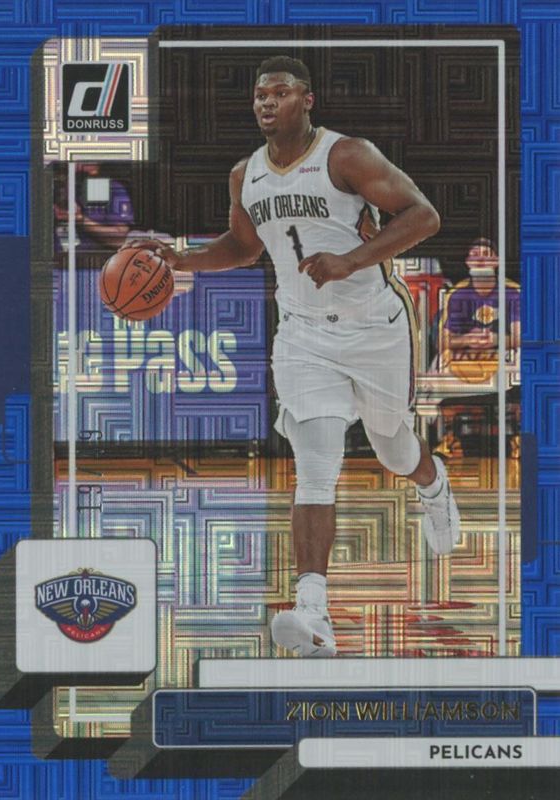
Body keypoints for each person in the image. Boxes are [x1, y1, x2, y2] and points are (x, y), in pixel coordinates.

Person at [134, 55, 460, 658]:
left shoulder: (347, 155)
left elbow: (424, 216)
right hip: (303, 335)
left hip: (375, 328)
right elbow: (243, 245)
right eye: (260, 95)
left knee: (392, 448)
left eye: (280, 93)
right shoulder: (246, 175)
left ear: (306, 100)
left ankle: (433, 485)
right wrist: (183, 259)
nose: (267, 103)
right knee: (315, 462)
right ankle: (313, 609)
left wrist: (350, 261)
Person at [440, 237, 520, 382]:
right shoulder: (457, 295)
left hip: (504, 359)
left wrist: (496, 339)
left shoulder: (513, 293)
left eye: (486, 255)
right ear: (468, 262)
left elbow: (521, 338)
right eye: (475, 255)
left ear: (497, 261)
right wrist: (468, 339)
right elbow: (443, 341)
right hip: (468, 359)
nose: (480, 259)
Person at [54, 163, 134, 252]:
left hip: (93, 256)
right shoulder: (54, 186)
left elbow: (118, 240)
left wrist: (81, 220)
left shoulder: (112, 189)